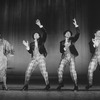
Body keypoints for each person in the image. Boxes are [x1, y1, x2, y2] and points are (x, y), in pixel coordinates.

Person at [21, 19, 50, 91]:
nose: (36, 35)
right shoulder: (31, 44)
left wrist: (40, 25)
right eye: (34, 34)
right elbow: (31, 52)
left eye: (37, 34)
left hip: (41, 57)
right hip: (34, 58)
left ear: (39, 36)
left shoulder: (42, 41)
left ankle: (47, 84)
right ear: (33, 36)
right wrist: (27, 47)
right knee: (28, 71)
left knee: (44, 71)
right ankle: (26, 85)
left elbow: (45, 33)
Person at [57, 18, 80, 91]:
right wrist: (64, 48)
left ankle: (76, 85)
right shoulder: (61, 42)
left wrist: (76, 25)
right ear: (64, 35)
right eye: (67, 33)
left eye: (69, 33)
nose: (68, 34)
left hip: (71, 57)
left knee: (72, 71)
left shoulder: (72, 40)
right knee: (59, 70)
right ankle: (60, 84)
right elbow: (61, 51)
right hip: (64, 57)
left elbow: (78, 34)